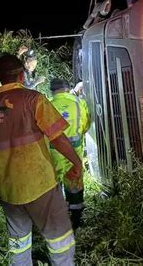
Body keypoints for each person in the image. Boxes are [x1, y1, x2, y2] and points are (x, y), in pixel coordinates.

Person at [0, 54, 82, 266]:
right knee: (60, 240)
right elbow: (58, 138)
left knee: (19, 244)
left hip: (9, 189)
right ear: (21, 75)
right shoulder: (33, 99)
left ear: (0, 78)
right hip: (41, 184)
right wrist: (76, 163)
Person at [49, 78, 91, 229]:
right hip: (74, 152)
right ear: (67, 89)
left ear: (52, 91)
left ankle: (58, 219)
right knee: (75, 185)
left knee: (55, 184)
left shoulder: (47, 104)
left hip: (54, 152)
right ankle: (77, 219)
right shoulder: (79, 103)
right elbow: (86, 125)